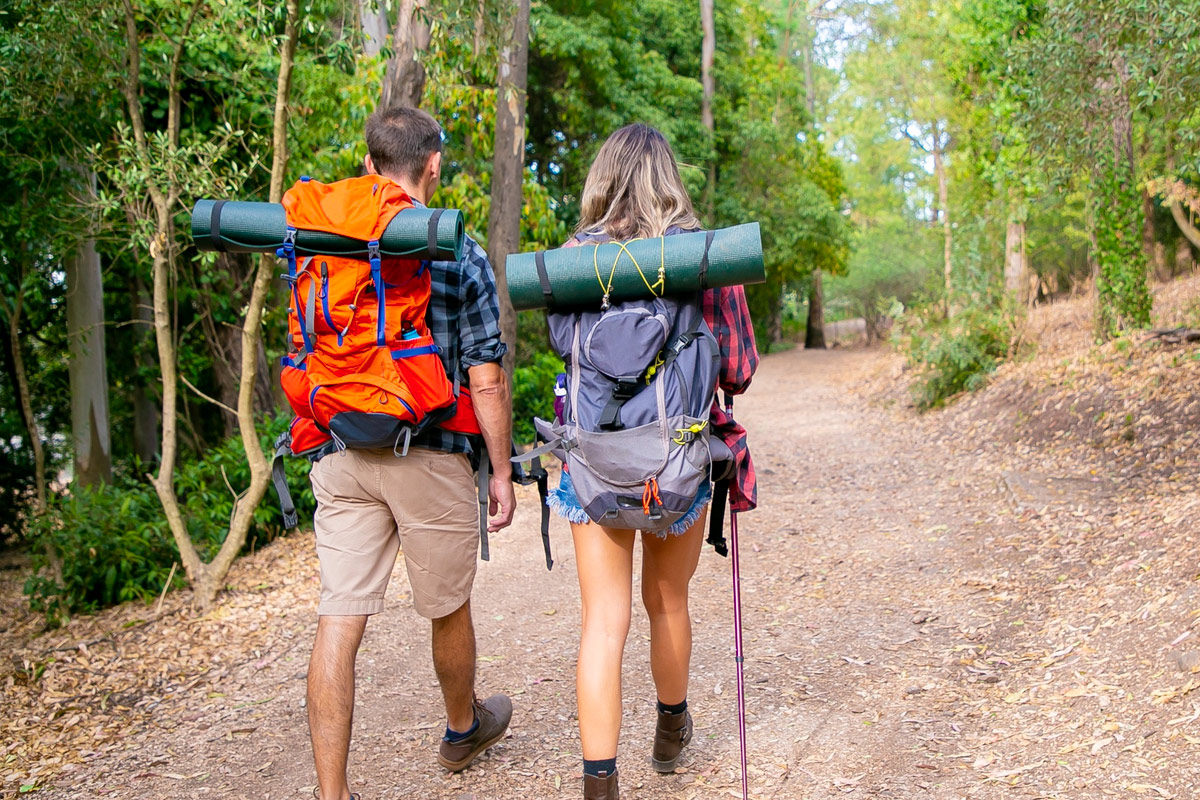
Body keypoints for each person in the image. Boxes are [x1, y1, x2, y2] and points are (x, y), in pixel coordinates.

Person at [305, 106, 517, 800]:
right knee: (446, 604)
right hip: (429, 453)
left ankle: (332, 793)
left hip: (340, 450)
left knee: (340, 619)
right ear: (433, 166)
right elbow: (484, 374)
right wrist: (502, 472)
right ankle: (462, 730)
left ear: (369, 165)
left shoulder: (323, 239)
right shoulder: (456, 246)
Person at [548, 123, 759, 800]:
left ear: (602, 179)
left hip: (593, 463)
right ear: (671, 178)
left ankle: (600, 787)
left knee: (602, 620)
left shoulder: (573, 260)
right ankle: (671, 731)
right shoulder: (704, 257)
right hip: (675, 462)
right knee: (666, 601)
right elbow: (740, 369)